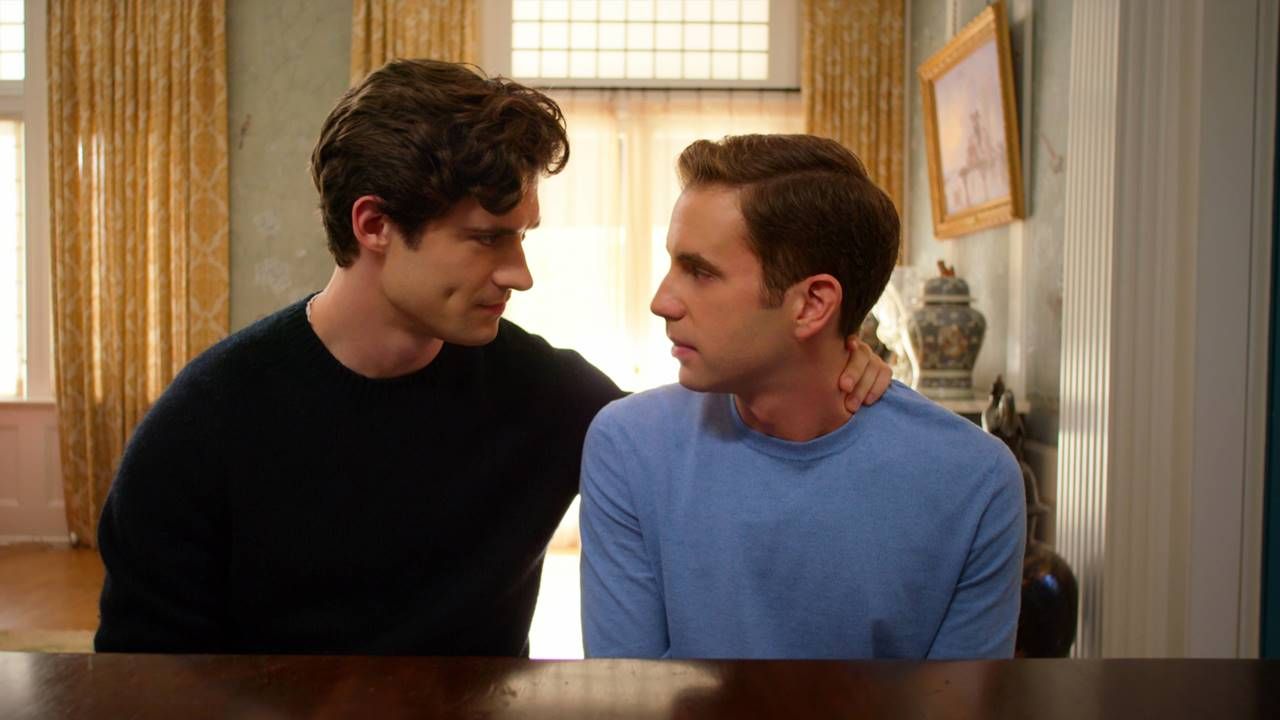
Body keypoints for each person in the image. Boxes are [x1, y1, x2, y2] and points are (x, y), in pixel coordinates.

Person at [94, 60, 892, 656]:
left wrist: (849, 354)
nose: (520, 273)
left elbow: (708, 433)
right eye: (487, 238)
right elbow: (141, 681)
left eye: (522, 236)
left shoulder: (551, 396)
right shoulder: (205, 424)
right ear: (374, 225)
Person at [579, 134, 1025, 660]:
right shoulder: (629, 446)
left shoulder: (976, 481)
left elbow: (958, 700)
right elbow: (626, 694)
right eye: (673, 264)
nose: (661, 302)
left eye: (699, 272)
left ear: (813, 304)